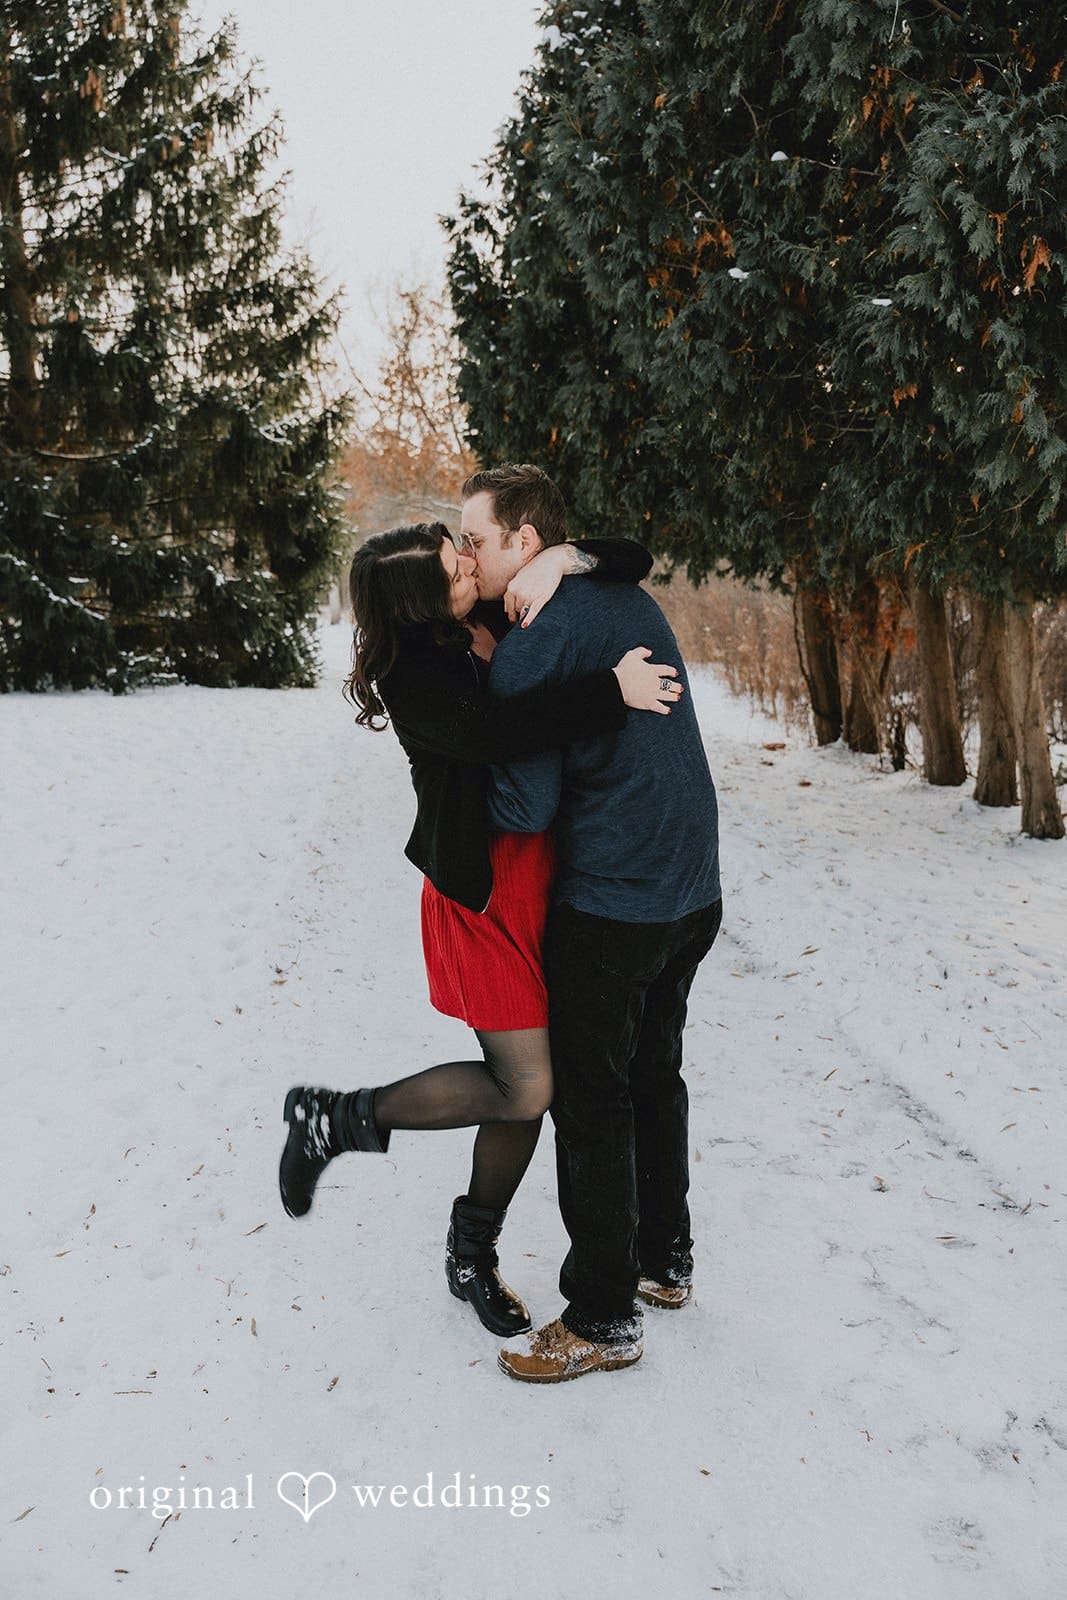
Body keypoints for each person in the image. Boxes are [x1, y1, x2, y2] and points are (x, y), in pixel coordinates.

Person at [277, 518, 683, 1340]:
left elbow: (634, 558)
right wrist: (613, 692)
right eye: (451, 568)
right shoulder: (410, 673)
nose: (468, 563)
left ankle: (472, 1251)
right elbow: (500, 733)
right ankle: (340, 1117)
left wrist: (568, 557)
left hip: (554, 882)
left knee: (529, 1089)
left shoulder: (488, 614)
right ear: (421, 604)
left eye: (459, 550)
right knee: (526, 1086)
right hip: (487, 893)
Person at [457, 463, 722, 1384]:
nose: (468, 555)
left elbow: (524, 811)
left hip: (616, 903)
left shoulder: (532, 648)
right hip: (695, 888)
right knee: (655, 1070)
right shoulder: (617, 587)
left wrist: (462, 757)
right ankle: (665, 1258)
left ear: (525, 544)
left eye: (479, 540)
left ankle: (602, 1316)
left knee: (593, 1098)